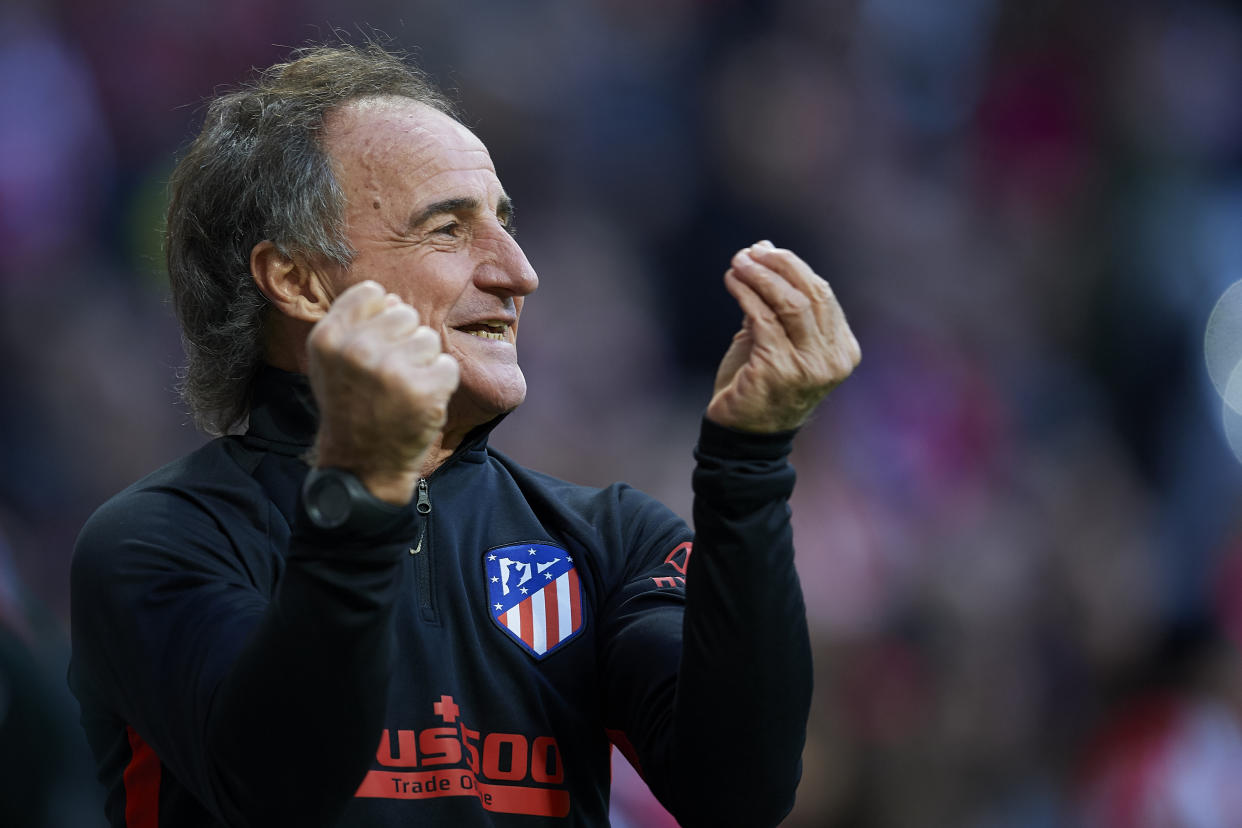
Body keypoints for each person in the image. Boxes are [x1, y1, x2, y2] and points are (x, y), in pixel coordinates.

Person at [68, 43, 860, 828]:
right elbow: (283, 790)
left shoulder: (608, 542)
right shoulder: (157, 542)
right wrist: (362, 489)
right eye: (448, 229)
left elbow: (738, 793)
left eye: (504, 223)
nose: (517, 271)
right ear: (299, 281)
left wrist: (749, 462)